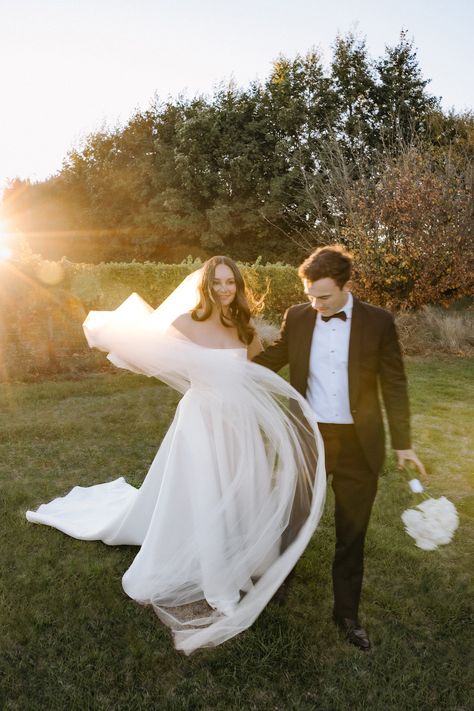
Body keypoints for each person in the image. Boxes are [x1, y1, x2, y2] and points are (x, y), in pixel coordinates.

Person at [26, 257, 327, 654]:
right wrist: (119, 340)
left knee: (236, 488)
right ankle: (216, 576)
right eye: (217, 283)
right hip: (202, 420)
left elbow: (250, 370)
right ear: (206, 286)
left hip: (237, 422)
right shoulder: (184, 323)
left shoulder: (244, 327)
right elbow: (149, 355)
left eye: (230, 283)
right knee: (205, 489)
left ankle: (238, 556)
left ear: (237, 286)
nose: (223, 289)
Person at [254, 245, 426, 651]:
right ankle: (277, 586)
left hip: (358, 445)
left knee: (352, 531)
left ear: (346, 287)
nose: (316, 304)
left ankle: (346, 613)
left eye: (324, 297)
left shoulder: (379, 322)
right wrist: (224, 369)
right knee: (293, 516)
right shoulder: (298, 316)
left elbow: (395, 384)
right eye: (310, 295)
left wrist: (403, 443)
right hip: (309, 438)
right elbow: (275, 356)